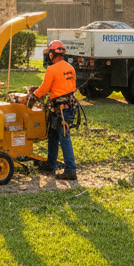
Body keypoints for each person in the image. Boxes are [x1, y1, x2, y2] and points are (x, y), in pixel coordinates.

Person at [25, 39, 78, 181]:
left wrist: (33, 96)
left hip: (60, 110)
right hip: (68, 107)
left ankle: (71, 170)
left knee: (64, 138)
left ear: (51, 55)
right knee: (53, 136)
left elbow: (45, 89)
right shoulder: (70, 68)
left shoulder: (52, 69)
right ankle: (51, 165)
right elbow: (67, 87)